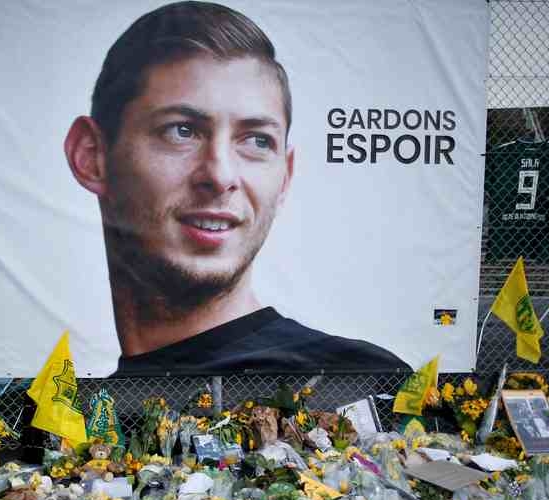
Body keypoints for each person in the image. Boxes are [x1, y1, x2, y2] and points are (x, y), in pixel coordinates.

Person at [63, 1, 409, 376]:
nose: (221, 175)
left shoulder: (358, 382)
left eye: (257, 141)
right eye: (181, 131)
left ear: (285, 177)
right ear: (91, 156)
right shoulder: (66, 403)